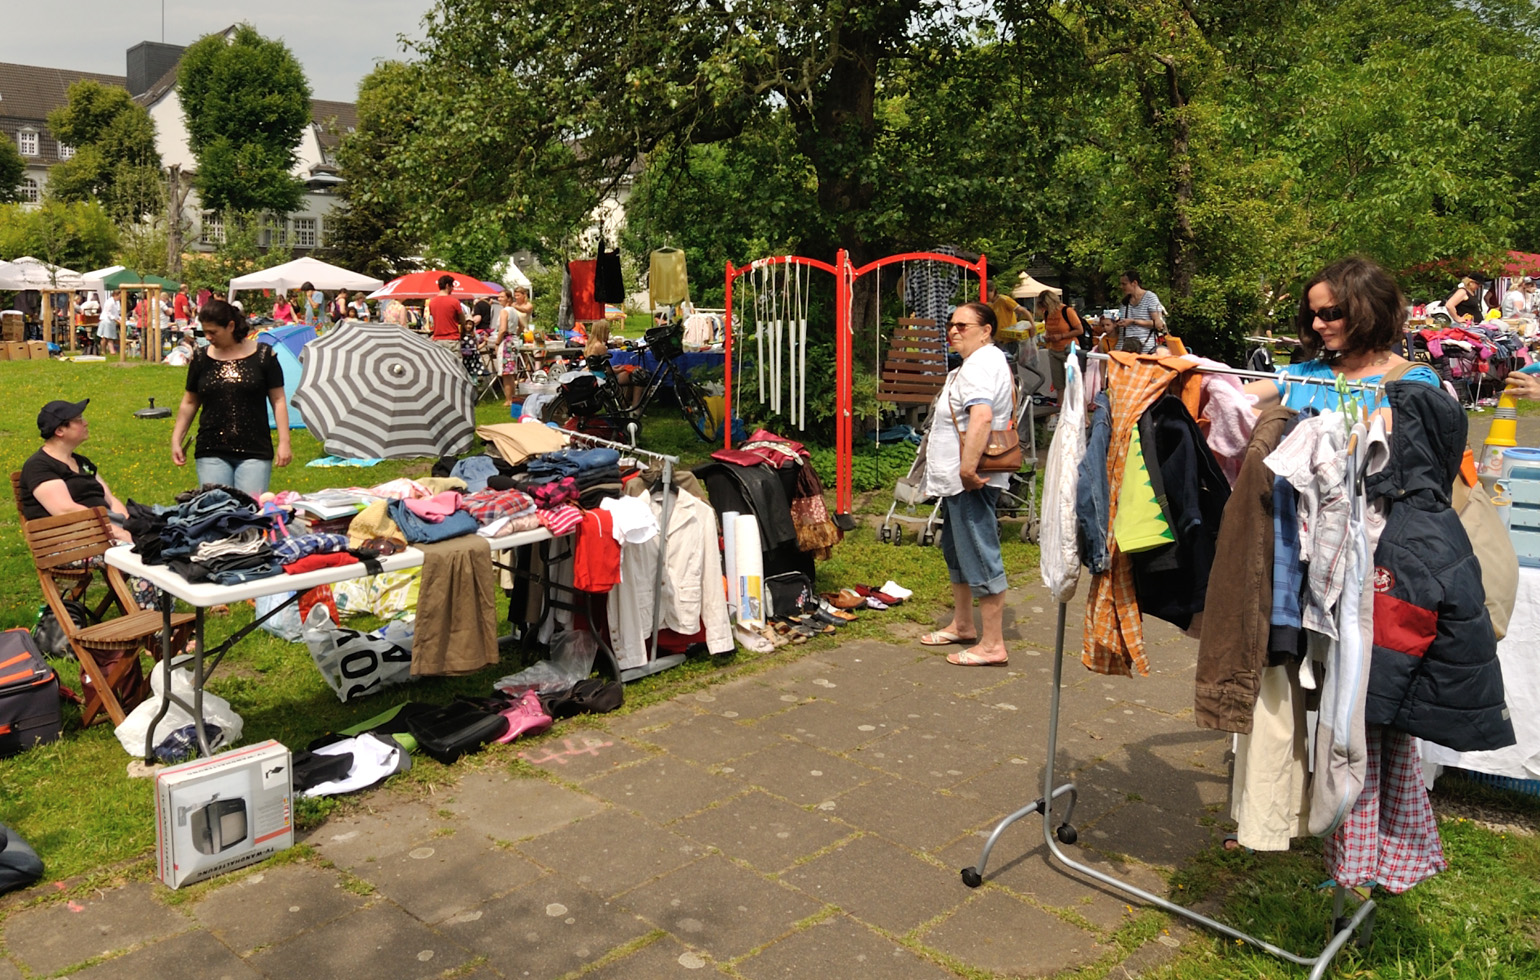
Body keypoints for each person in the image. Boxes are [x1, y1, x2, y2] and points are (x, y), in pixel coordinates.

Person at [917, 302, 1015, 666]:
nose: (954, 330)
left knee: (979, 551)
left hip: (969, 479)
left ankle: (992, 644)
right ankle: (963, 624)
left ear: (986, 329)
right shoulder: (976, 364)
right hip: (957, 479)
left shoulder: (980, 365)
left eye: (963, 325)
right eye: (950, 325)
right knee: (957, 551)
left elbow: (982, 415)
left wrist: (968, 469)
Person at [1245, 256, 1440, 413]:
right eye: (1312, 315)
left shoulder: (1412, 380)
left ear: (1369, 311)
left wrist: (1272, 424)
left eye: (1329, 313)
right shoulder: (1303, 374)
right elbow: (1233, 400)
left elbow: (1369, 445)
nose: (1316, 325)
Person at [170, 301, 292, 497]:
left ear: (231, 326)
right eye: (205, 332)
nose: (208, 337)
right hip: (211, 449)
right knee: (217, 514)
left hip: (255, 451)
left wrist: (284, 442)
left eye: (213, 332)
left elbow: (278, 400)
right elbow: (190, 402)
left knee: (249, 516)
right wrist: (177, 439)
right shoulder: (200, 359)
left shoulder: (264, 356)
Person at [1099, 270, 1164, 354]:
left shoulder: (1150, 298)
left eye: (1124, 284)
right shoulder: (1125, 302)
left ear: (1134, 283)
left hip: (1145, 349)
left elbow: (1159, 324)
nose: (1121, 287)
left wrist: (1134, 321)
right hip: (1123, 348)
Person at [1040, 290, 1084, 396]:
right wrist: (1048, 338)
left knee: (1072, 383)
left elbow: (1079, 330)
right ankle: (1061, 408)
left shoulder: (1066, 311)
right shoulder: (1047, 313)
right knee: (1058, 384)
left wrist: (1062, 336)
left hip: (1069, 349)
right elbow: (1048, 329)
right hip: (1054, 350)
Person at [488, 289, 522, 406]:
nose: (499, 299)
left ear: (508, 298)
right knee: (511, 371)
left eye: (502, 297)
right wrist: (514, 334)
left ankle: (509, 400)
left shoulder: (504, 311)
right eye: (499, 297)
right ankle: (512, 398)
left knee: (506, 372)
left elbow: (502, 329)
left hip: (506, 341)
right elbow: (521, 326)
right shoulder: (514, 311)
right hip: (513, 340)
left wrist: (497, 343)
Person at [427, 275, 466, 353]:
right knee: (455, 364)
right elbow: (463, 320)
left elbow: (432, 321)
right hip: (452, 340)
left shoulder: (432, 302)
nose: (453, 288)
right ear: (447, 285)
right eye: (452, 286)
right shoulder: (455, 302)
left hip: (437, 340)